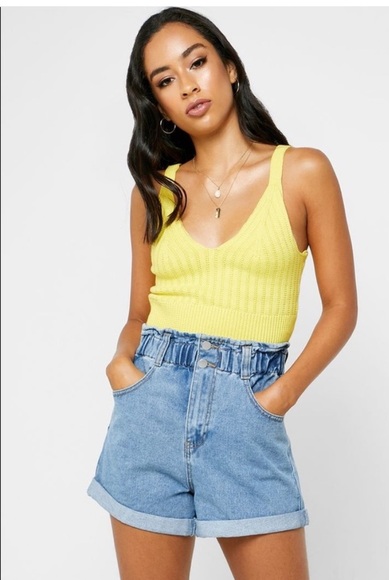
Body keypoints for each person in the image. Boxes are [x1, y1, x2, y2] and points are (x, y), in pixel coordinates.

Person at [87, 7, 357, 580]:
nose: (187, 86)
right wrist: (121, 367)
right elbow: (138, 311)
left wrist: (279, 397)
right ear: (158, 105)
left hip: (247, 414)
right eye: (166, 80)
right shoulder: (152, 194)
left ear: (229, 67)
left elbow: (341, 307)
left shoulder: (302, 172)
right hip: (149, 413)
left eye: (197, 63)